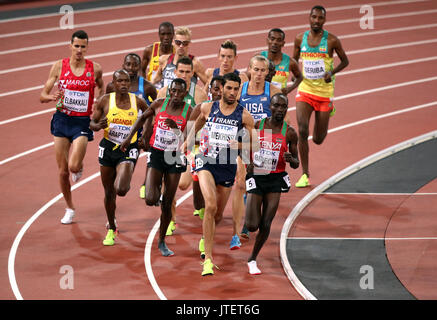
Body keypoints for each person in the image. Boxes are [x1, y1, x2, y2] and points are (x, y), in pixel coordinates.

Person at [182, 72, 257, 276]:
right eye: (229, 88)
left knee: (217, 214)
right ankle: (208, 259)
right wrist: (187, 142)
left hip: (227, 166)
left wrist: (239, 144)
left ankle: (206, 236)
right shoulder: (208, 107)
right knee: (211, 204)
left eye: (236, 89)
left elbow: (256, 144)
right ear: (222, 88)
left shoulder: (244, 115)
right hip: (206, 161)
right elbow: (197, 122)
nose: (232, 92)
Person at [121, 78, 191, 257]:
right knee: (151, 199)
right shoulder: (159, 104)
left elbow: (191, 139)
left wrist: (176, 129)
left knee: (168, 203)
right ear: (169, 92)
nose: (175, 95)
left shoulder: (188, 111)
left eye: (179, 92)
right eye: (173, 91)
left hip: (174, 155)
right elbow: (141, 118)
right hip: (157, 153)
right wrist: (130, 138)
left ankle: (161, 241)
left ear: (185, 93)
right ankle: (156, 189)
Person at [40, 29, 104, 224]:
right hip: (62, 119)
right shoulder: (59, 66)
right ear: (70, 45)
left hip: (81, 122)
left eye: (82, 47)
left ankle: (79, 166)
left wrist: (98, 101)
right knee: (62, 171)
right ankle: (69, 207)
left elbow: (101, 85)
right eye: (76, 46)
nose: (79, 50)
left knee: (74, 165)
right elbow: (42, 95)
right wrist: (50, 97)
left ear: (87, 48)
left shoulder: (95, 68)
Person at [232, 55, 288, 249]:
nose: (258, 74)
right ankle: (240, 228)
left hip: (264, 146)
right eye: (255, 70)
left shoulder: (273, 91)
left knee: (252, 184)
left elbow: (279, 119)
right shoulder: (241, 90)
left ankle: (250, 219)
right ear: (249, 70)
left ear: (267, 72)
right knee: (241, 183)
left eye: (262, 71)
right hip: (245, 141)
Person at [89, 70, 149, 245]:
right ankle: (112, 226)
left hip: (128, 148)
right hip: (108, 147)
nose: (123, 84)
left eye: (126, 81)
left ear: (129, 84)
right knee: (109, 192)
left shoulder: (137, 101)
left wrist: (145, 135)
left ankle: (120, 184)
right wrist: (97, 126)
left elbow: (149, 115)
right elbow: (92, 122)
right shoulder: (105, 101)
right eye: (119, 81)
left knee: (121, 189)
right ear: (114, 84)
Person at [293, 5, 349, 187]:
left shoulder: (332, 40)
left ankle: (330, 109)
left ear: (324, 20)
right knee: (302, 130)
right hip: (305, 89)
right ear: (309, 18)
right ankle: (305, 174)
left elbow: (345, 61)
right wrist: (295, 75)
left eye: (320, 18)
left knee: (318, 139)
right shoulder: (299, 39)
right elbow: (294, 61)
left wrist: (331, 72)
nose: (316, 21)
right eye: (314, 17)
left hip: (324, 92)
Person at [245, 93, 299, 275]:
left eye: (284, 107)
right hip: (258, 175)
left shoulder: (289, 132)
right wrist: (248, 164)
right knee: (252, 225)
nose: (280, 110)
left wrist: (291, 159)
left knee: (266, 223)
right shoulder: (259, 125)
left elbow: (296, 162)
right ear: (270, 106)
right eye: (277, 106)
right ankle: (252, 226)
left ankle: (252, 258)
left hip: (275, 178)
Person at [156, 56, 207, 236]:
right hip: (166, 145)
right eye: (181, 71)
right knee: (167, 183)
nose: (184, 75)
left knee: (183, 184)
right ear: (175, 72)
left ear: (193, 73)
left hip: (189, 145)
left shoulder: (199, 94)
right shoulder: (163, 93)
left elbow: (202, 123)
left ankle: (196, 179)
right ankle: (171, 218)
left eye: (188, 72)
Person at [106, 53, 157, 200]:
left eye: (135, 65)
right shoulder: (112, 86)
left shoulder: (147, 87)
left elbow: (156, 108)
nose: (131, 68)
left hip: (140, 132)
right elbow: (107, 106)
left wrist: (147, 133)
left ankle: (146, 184)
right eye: (128, 64)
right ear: (123, 66)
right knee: (115, 178)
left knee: (147, 158)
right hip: (119, 131)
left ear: (140, 67)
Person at [260, 28, 303, 95]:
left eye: (279, 40)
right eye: (272, 39)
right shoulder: (258, 58)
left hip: (278, 102)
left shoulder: (290, 62)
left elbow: (300, 77)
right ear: (267, 41)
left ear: (283, 43)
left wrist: (289, 89)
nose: (275, 42)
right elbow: (248, 76)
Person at [141, 21, 175, 90]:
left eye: (169, 34)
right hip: (153, 93)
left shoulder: (177, 52)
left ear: (173, 35)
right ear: (159, 35)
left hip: (170, 93)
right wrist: (144, 85)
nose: (166, 37)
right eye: (163, 34)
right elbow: (141, 69)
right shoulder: (150, 50)